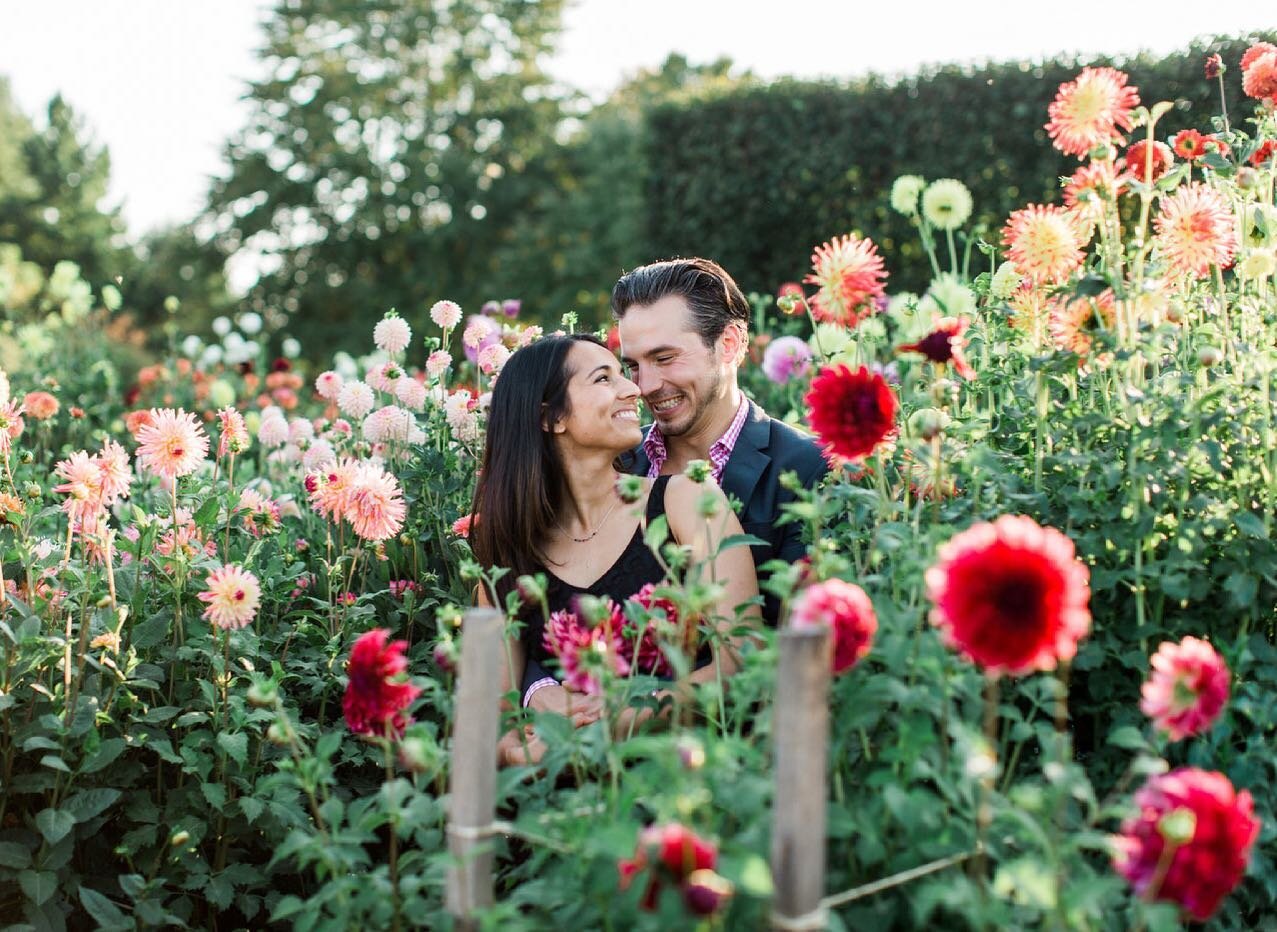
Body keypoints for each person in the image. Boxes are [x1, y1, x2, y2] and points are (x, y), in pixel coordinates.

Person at [518, 258, 828, 717]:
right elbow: (544, 597)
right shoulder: (613, 462)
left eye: (664, 359)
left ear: (730, 343)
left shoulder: (806, 468)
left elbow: (800, 644)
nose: (645, 386)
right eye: (633, 366)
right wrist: (539, 686)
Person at [467, 334, 761, 766]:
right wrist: (518, 750)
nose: (634, 389)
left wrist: (628, 716)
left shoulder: (683, 501)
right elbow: (491, 716)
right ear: (551, 418)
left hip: (686, 781)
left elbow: (743, 657)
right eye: (604, 379)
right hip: (563, 808)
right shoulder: (508, 551)